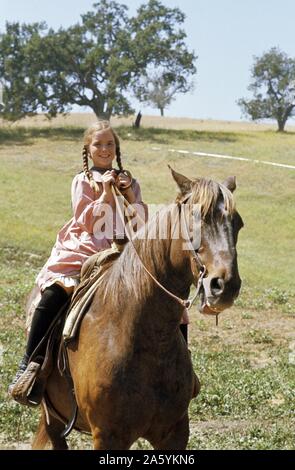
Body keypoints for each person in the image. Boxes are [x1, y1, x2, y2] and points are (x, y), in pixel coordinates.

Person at [8, 120, 148, 400]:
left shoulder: (129, 181)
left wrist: (130, 194)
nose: (105, 149)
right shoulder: (82, 181)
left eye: (110, 144)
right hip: (86, 248)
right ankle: (30, 364)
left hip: (125, 250)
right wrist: (107, 193)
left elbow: (142, 224)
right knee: (56, 293)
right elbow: (89, 222)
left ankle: (178, 372)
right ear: (88, 148)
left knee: (169, 301)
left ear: (117, 148)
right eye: (98, 144)